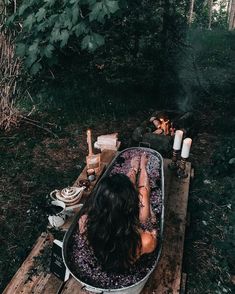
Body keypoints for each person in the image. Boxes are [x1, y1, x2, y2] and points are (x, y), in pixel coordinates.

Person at [78, 153, 157, 273]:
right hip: (132, 235)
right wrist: (153, 233)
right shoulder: (145, 241)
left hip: (115, 228)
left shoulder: (86, 223)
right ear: (130, 210)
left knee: (117, 193)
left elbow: (116, 197)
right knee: (143, 195)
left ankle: (134, 169)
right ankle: (142, 167)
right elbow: (151, 237)